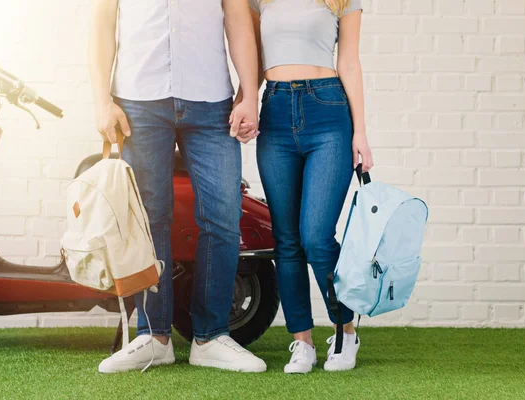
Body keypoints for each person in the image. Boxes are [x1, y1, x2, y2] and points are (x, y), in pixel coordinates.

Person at [88, 0, 265, 373]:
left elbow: (237, 18)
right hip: (138, 99)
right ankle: (153, 337)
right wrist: (101, 100)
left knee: (222, 216)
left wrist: (250, 93)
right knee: (150, 220)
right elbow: (103, 22)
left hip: (212, 99)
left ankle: (211, 337)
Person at [233, 0, 373, 374]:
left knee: (316, 237)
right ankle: (302, 342)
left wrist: (360, 132)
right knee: (287, 240)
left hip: (328, 111)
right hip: (275, 111)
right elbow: (255, 57)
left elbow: (349, 62)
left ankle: (344, 331)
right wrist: (244, 100)